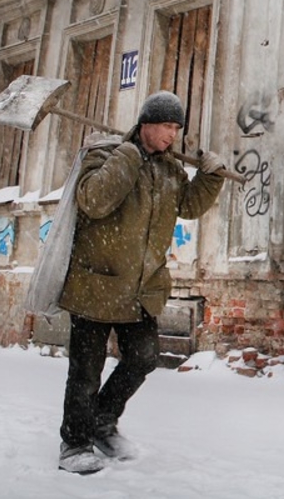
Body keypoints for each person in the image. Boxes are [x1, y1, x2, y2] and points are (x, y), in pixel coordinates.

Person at [56, 91, 227, 474]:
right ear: (146, 124)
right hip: (96, 284)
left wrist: (210, 177)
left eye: (176, 129)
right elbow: (94, 200)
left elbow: (189, 205)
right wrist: (128, 156)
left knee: (143, 358)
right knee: (86, 370)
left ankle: (101, 422)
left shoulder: (169, 171)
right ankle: (75, 443)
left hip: (140, 288)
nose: (172, 135)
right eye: (167, 126)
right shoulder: (105, 155)